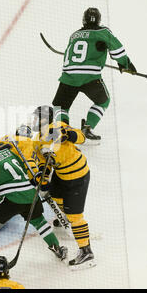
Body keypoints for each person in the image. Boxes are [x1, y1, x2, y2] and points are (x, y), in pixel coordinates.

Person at [0, 129, 67, 271]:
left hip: (11, 198)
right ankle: (57, 248)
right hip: (30, 194)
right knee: (39, 221)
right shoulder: (7, 152)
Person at [52, 7, 137, 142]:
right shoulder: (102, 31)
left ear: (84, 20)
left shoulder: (74, 35)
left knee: (61, 106)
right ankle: (88, 128)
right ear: (99, 20)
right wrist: (125, 64)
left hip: (69, 76)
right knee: (103, 101)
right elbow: (117, 49)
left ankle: (63, 132)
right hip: (90, 77)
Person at [32, 105, 96, 270]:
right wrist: (44, 177)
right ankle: (66, 218)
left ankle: (86, 251)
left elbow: (82, 137)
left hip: (78, 176)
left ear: (45, 119)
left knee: (76, 216)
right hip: (61, 176)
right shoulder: (38, 140)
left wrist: (70, 134)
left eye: (37, 117)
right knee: (54, 196)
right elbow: (43, 163)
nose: (34, 120)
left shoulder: (58, 128)